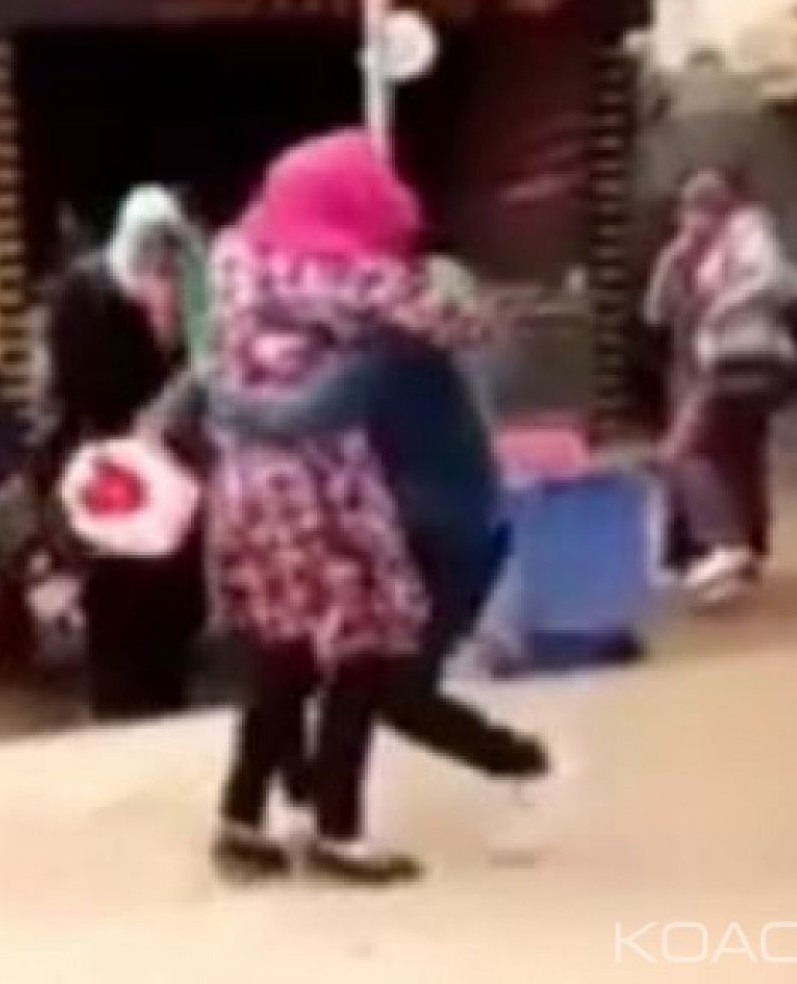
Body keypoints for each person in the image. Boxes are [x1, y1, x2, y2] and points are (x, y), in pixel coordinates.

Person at [206, 128, 484, 886]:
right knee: (365, 643)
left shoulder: (234, 254)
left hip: (247, 483)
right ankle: (338, 828)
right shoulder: (351, 277)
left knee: (285, 648)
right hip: (322, 481)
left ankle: (240, 818)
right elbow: (465, 323)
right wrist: (434, 278)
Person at [208, 256, 549, 791]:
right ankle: (305, 785)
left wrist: (221, 399)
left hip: (437, 539)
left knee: (376, 677)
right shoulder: (428, 355)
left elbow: (296, 417)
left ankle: (511, 760)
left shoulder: (384, 358)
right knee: (337, 667)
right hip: (456, 530)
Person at [46, 185, 208, 721]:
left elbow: (203, 359)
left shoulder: (189, 286)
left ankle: (165, 684)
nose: (158, 252)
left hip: (172, 452)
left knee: (172, 573)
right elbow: (76, 379)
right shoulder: (86, 290)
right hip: (111, 451)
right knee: (116, 572)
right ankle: (117, 693)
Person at [646, 168, 797, 605]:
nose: (690, 219)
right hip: (702, 365)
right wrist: (671, 259)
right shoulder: (686, 253)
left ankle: (726, 544)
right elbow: (655, 312)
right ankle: (730, 552)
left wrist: (720, 310)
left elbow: (772, 279)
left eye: (699, 209)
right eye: (686, 210)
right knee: (731, 457)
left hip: (739, 362)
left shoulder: (748, 236)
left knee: (686, 452)